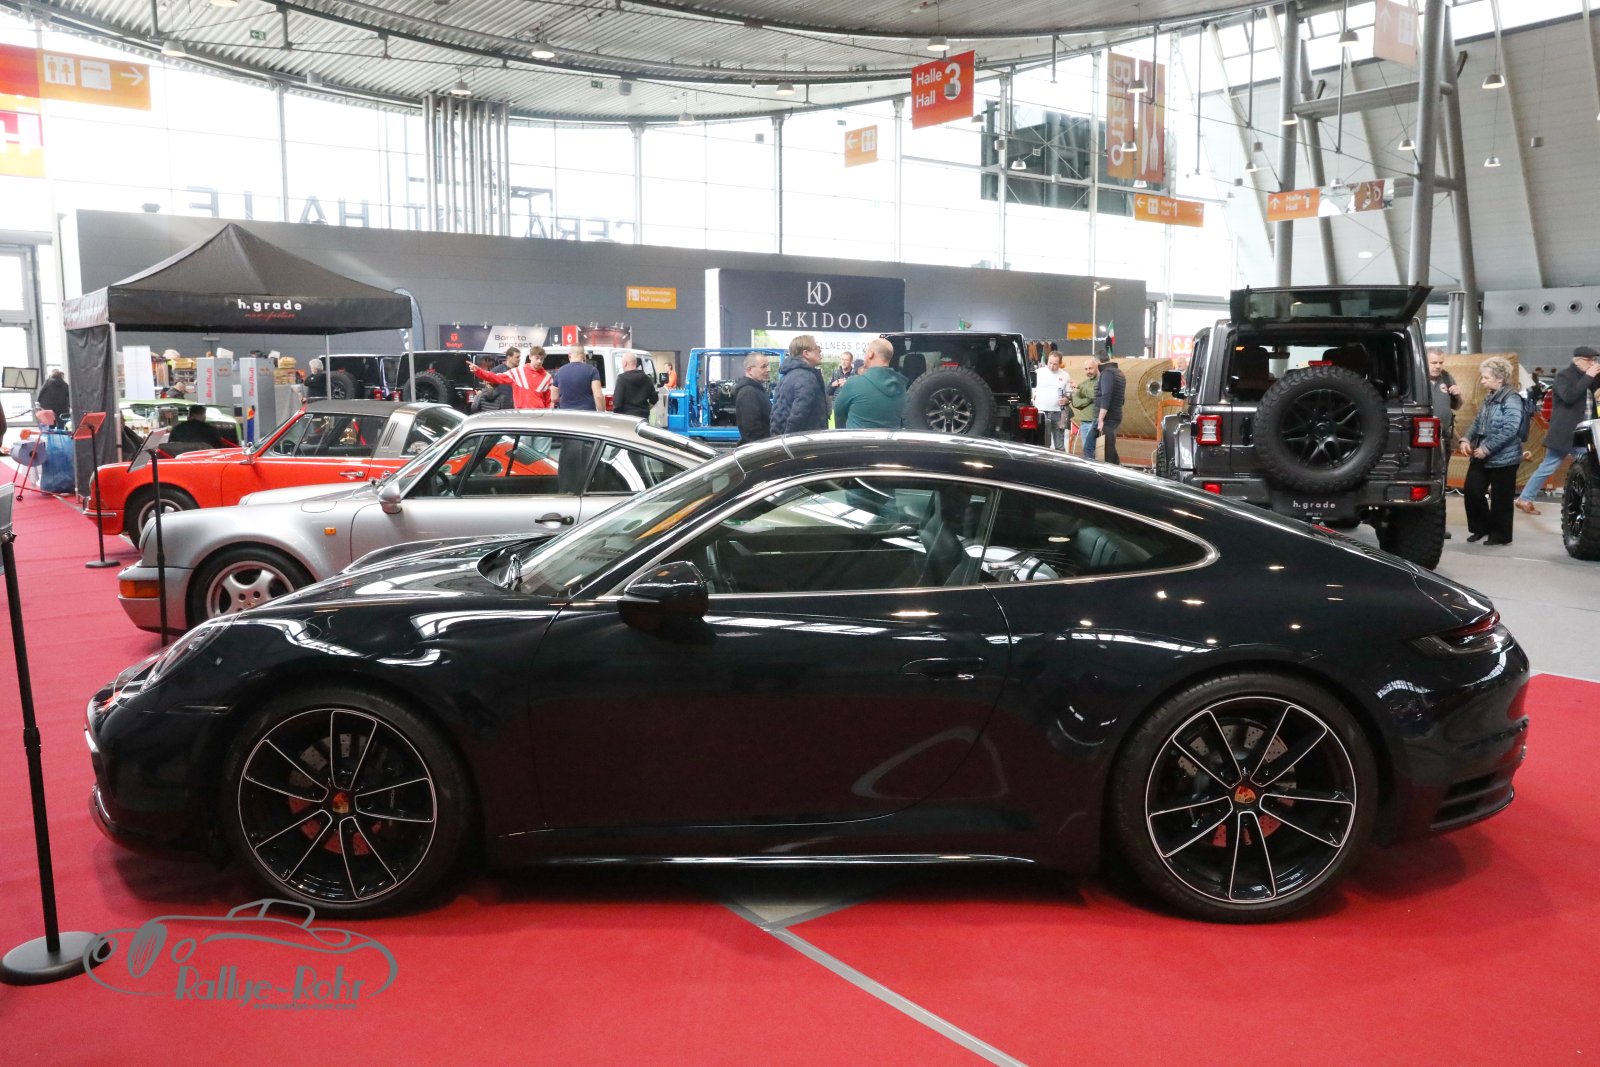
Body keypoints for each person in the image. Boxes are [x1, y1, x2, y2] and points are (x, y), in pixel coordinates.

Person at [1515, 346, 1600, 515]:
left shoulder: (1589, 376)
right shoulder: (1564, 376)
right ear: (1577, 361)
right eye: (1589, 360)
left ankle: (1525, 499)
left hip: (1585, 432)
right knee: (1551, 466)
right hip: (1566, 432)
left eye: (1594, 360)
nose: (1593, 363)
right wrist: (1589, 376)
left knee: (1584, 468)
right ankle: (1525, 499)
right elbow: (1569, 396)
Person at [1458, 355, 1525, 546]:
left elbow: (1510, 429)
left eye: (1486, 377)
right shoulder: (1490, 397)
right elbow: (1478, 421)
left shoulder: (1511, 399)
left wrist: (1486, 448)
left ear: (1499, 379)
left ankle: (1500, 535)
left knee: (1501, 499)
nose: (1482, 381)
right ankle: (1481, 528)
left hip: (1505, 458)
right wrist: (1466, 438)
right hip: (1482, 454)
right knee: (1472, 491)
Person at [832, 338, 907, 430]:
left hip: (858, 438)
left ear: (870, 354)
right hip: (889, 439)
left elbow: (839, 414)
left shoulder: (853, 383)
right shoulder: (901, 386)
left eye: (865, 352)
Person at [770, 334, 828, 434]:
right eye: (816, 348)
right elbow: (799, 415)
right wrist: (788, 440)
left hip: (781, 437)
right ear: (806, 353)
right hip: (803, 440)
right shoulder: (806, 377)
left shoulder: (788, 375)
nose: (820, 351)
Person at [471, 346, 553, 409]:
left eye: (542, 359)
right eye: (537, 358)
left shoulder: (547, 377)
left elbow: (549, 401)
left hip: (539, 416)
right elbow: (495, 377)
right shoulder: (518, 372)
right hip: (520, 414)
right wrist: (478, 371)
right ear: (530, 357)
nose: (539, 361)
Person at [1085, 353, 1125, 464]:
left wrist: (1101, 419)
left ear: (1097, 361)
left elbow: (1106, 395)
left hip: (1106, 418)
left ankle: (1092, 471)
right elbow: (1121, 399)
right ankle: (1116, 468)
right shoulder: (1118, 372)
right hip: (1114, 415)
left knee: (1089, 447)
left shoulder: (1107, 373)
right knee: (1109, 448)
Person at [1033, 350, 1072, 450]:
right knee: (1043, 444)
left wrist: (1066, 400)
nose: (1051, 366)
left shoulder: (1065, 375)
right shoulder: (1037, 373)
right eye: (1050, 363)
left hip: (1058, 413)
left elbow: (1069, 394)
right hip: (1040, 412)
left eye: (1055, 364)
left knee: (1059, 445)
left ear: (1060, 363)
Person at [1427, 349, 1463, 449]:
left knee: (1444, 458)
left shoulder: (1447, 377)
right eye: (1434, 363)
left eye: (1441, 362)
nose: (1438, 366)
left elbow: (1456, 406)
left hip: (1445, 433)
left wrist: (1457, 396)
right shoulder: (1417, 379)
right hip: (1423, 433)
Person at [551, 345, 604, 411]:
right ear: (584, 356)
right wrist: (602, 413)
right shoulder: (592, 370)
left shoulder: (559, 371)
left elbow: (554, 398)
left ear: (569, 355)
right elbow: (598, 396)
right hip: (587, 413)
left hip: (565, 414)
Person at [734, 353, 772, 444]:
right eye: (763, 367)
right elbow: (752, 428)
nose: (768, 370)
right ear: (749, 370)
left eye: (767, 366)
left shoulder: (756, 390)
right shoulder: (748, 393)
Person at [611, 354, 658, 419]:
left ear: (625, 363)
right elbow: (654, 399)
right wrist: (647, 409)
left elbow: (617, 403)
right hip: (643, 418)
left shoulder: (621, 379)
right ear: (635, 363)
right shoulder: (646, 378)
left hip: (627, 418)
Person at [1069, 358, 1097, 455]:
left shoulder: (1100, 382)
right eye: (1086, 369)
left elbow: (1094, 394)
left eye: (1090, 368)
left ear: (1096, 367)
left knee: (1092, 451)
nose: (1088, 371)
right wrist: (1089, 399)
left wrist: (1082, 389)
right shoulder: (1084, 383)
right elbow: (1076, 402)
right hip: (1084, 423)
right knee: (1086, 451)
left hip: (1094, 422)